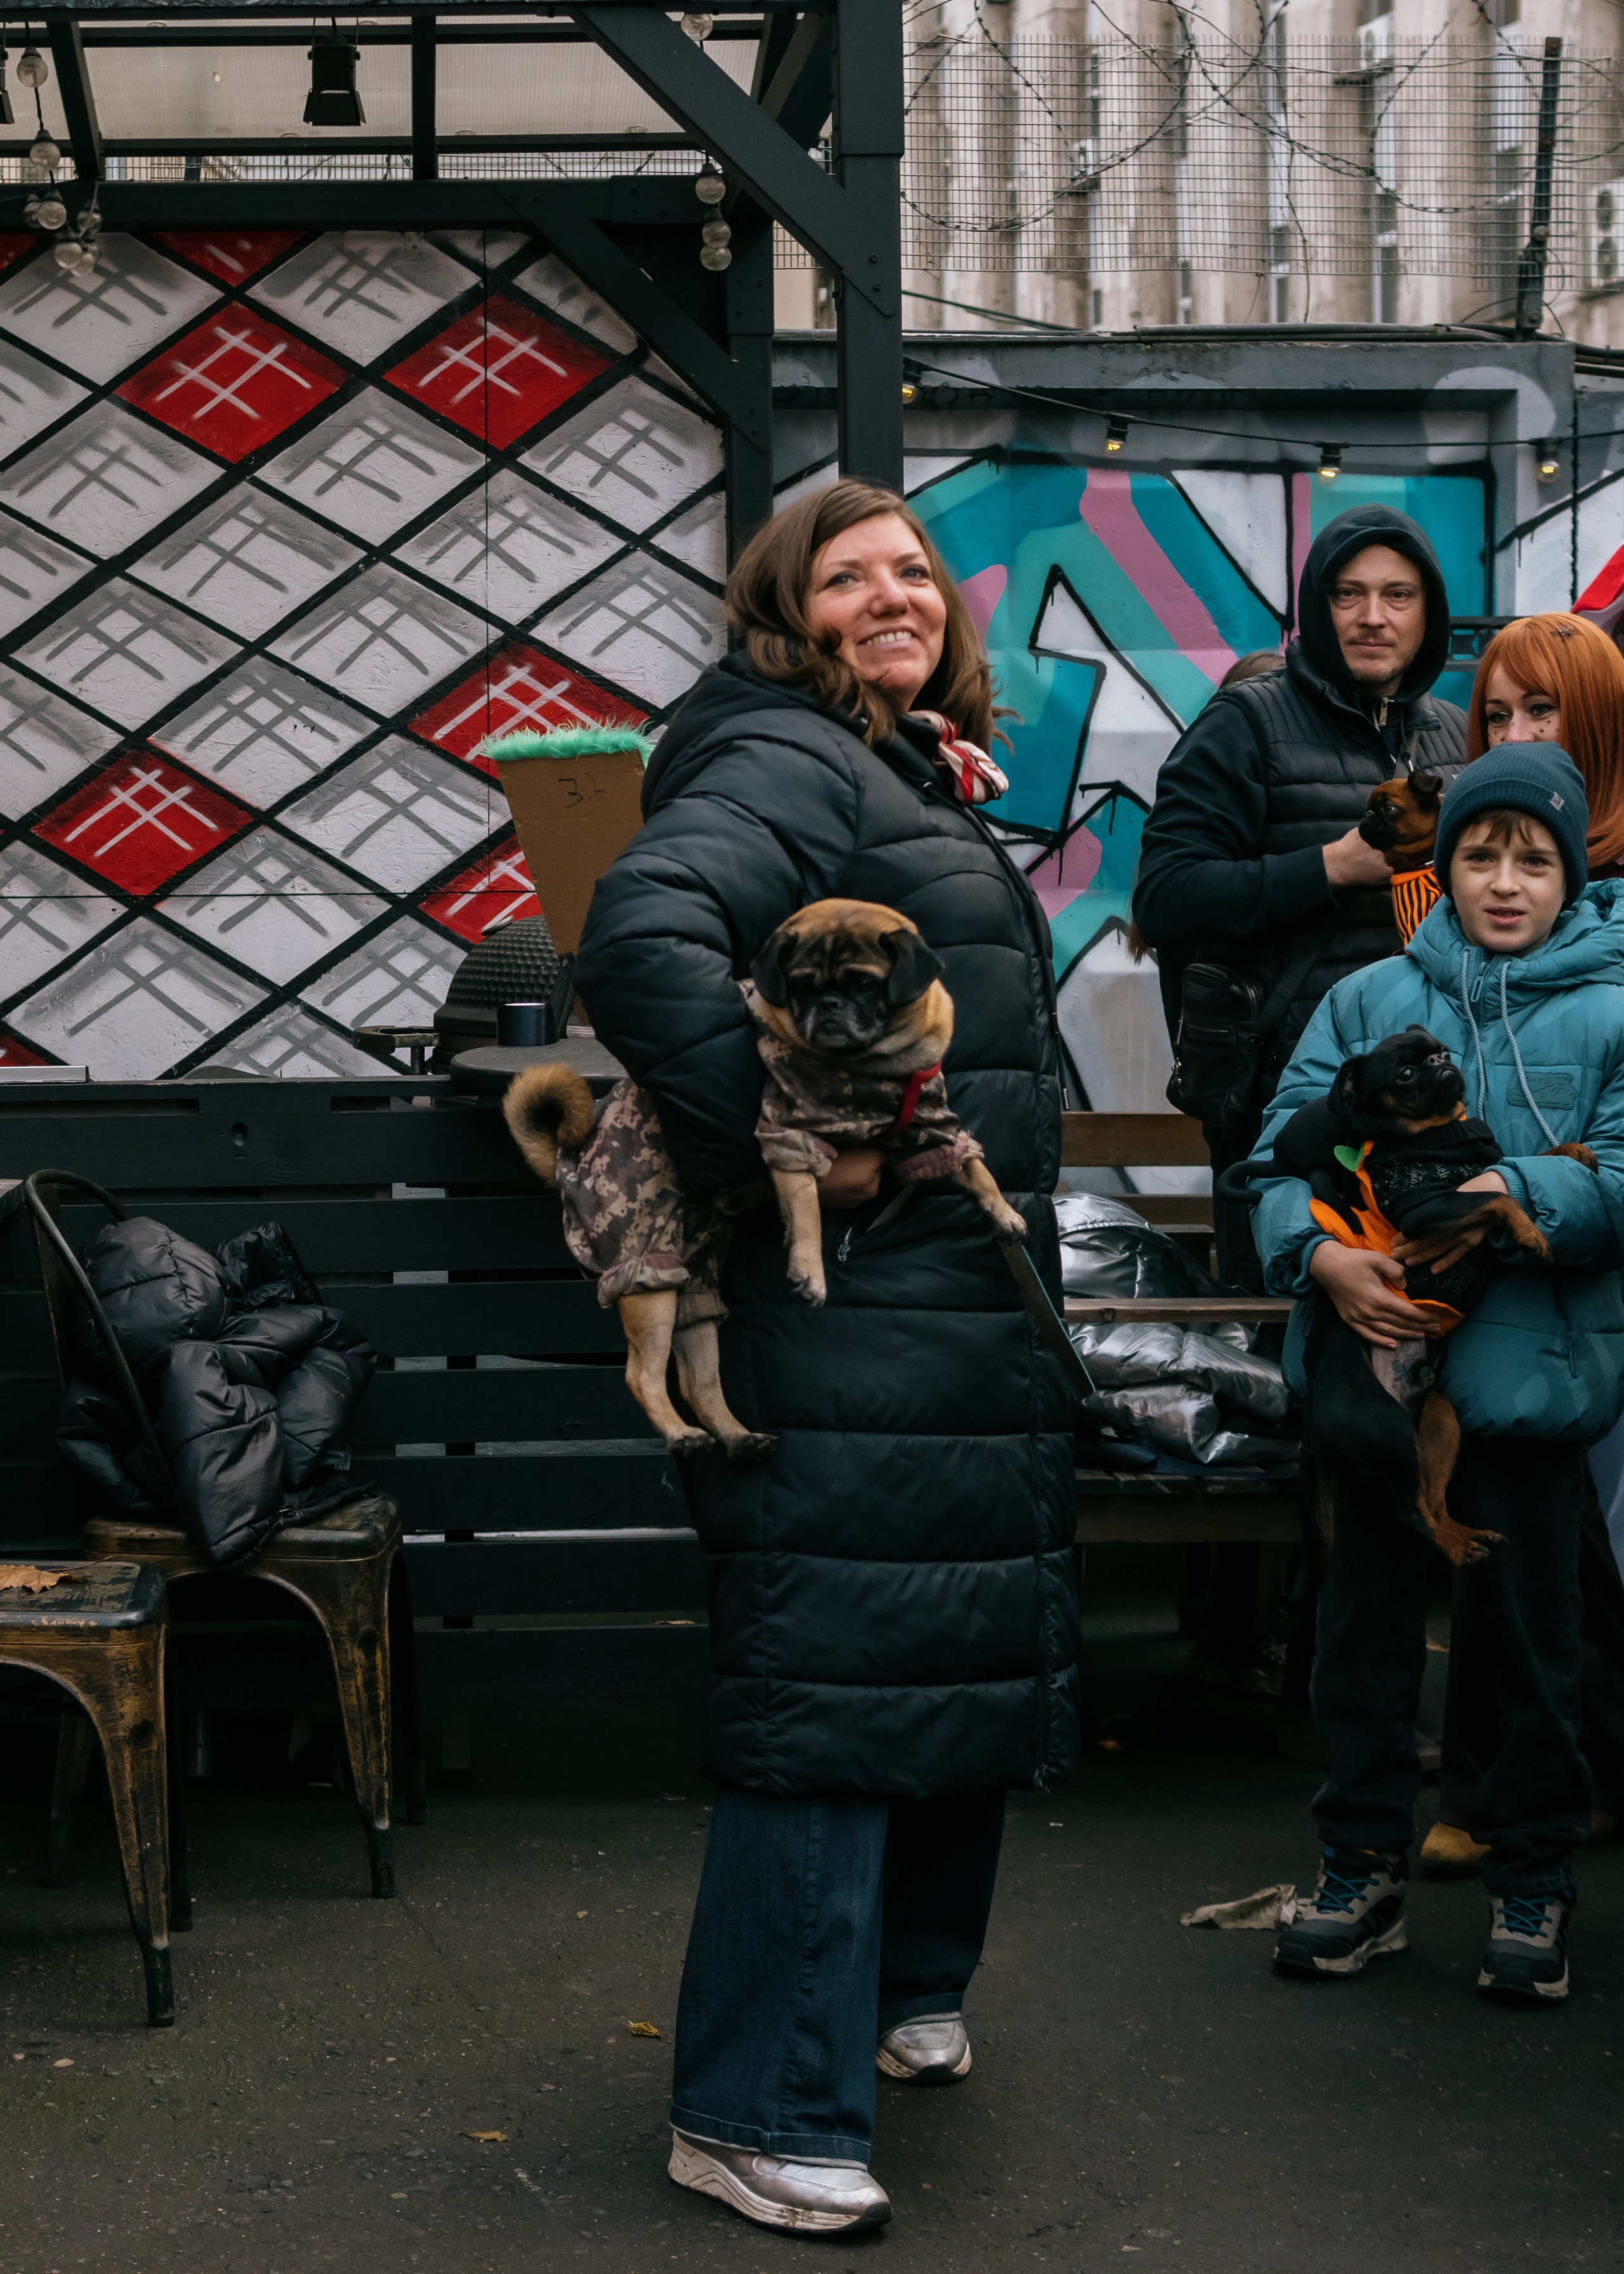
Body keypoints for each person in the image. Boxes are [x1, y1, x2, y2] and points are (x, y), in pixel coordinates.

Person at [573, 480, 1080, 2237]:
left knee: (936, 1654)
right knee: (833, 1691)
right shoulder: (785, 755)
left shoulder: (890, 764)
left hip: (941, 1313)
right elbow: (639, 933)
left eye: (915, 572)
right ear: (786, 613)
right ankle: (751, 2105)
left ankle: (894, 1992)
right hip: (854, 1304)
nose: (894, 595)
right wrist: (791, 1152)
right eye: (848, 575)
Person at [1255, 744, 1624, 2004]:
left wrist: (1510, 1193)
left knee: (1529, 1646)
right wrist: (1313, 1255)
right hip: (1372, 1382)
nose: (1504, 880)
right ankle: (1355, 1867)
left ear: (1569, 869)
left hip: (1523, 1384)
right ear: (1442, 862)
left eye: (1532, 857)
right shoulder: (1365, 999)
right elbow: (1277, 1160)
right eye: (1479, 853)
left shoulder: (1612, 1003)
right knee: (1356, 1637)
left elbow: (1620, 1178)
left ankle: (1531, 1880)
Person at [1134, 505, 1467, 1298]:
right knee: (1287, 1340)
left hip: (1434, 1099)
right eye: (1347, 595)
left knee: (1430, 1327)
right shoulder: (1246, 722)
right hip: (1284, 1104)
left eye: (1397, 595)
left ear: (1429, 611)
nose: (1372, 617)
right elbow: (1166, 895)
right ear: (1316, 608)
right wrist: (1328, 868)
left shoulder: (1454, 735)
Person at [1421, 610, 1624, 1873]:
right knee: (1519, 1515)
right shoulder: (1487, 863)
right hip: (1503, 1255)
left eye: (1538, 714)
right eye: (1492, 715)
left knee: (1580, 1527)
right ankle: (1509, 1769)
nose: (1511, 737)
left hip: (1588, 1241)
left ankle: (1559, 1770)